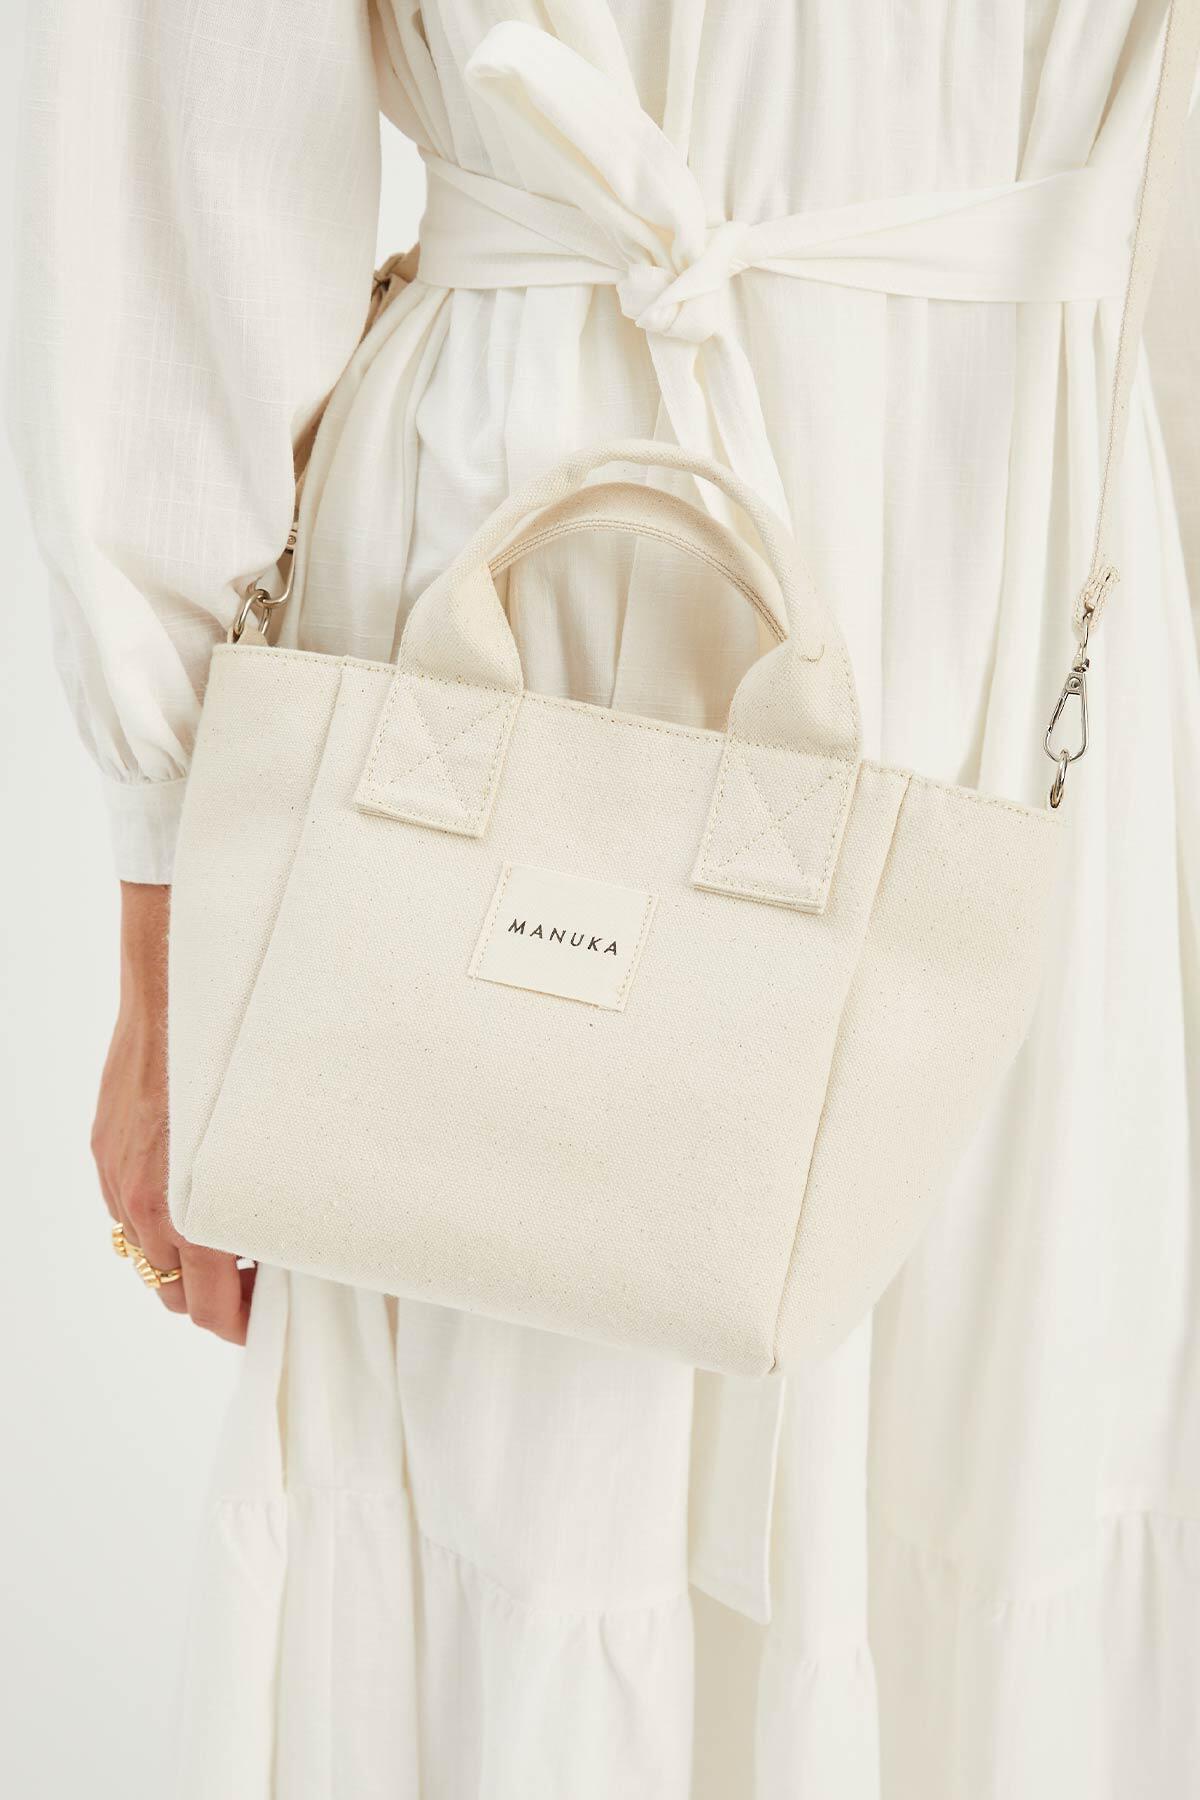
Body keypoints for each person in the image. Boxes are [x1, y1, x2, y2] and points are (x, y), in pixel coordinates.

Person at [12, 2, 1200, 1793]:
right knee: (558, 1468)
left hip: (1016, 531)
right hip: (585, 564)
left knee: (967, 1430)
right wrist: (171, 871)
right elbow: (189, 106)